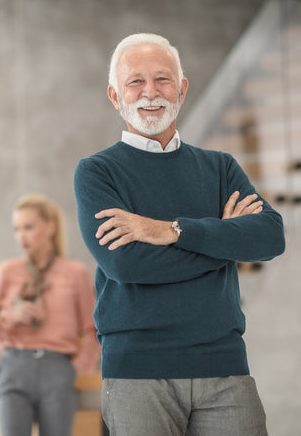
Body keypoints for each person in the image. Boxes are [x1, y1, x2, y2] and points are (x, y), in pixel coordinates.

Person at [73, 33, 286, 436]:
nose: (150, 92)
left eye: (162, 79)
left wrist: (171, 231)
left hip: (224, 368)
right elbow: (127, 263)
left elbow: (270, 237)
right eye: (135, 81)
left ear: (182, 89)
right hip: (138, 373)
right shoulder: (97, 172)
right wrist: (224, 239)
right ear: (115, 96)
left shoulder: (220, 167)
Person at [0, 192, 100, 436]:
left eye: (28, 227)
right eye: (17, 229)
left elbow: (92, 328)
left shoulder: (76, 273)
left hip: (57, 369)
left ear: (50, 227)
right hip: (14, 366)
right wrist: (11, 315)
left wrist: (76, 368)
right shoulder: (6, 271)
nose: (21, 236)